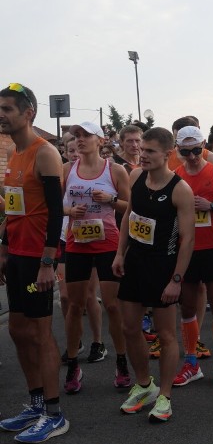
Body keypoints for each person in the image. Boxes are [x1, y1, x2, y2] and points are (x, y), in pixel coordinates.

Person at [0, 83, 69, 443]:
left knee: (40, 335)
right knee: (16, 331)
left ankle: (55, 415)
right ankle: (36, 404)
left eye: (8, 109)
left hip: (38, 260)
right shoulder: (14, 154)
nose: (1, 115)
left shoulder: (45, 154)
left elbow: (57, 214)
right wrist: (4, 247)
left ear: (29, 113)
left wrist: (48, 262)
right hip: (18, 258)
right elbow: (13, 209)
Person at [113, 127, 196, 422]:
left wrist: (177, 279)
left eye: (150, 151)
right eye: (142, 150)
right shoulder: (135, 177)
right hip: (135, 262)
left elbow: (188, 239)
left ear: (167, 154)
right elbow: (128, 218)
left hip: (163, 266)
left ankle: (165, 395)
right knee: (129, 328)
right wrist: (120, 253)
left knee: (165, 335)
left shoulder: (180, 189)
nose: (143, 155)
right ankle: (144, 384)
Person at [61, 121, 131, 393]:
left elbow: (129, 206)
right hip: (76, 242)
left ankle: (122, 362)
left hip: (107, 243)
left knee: (112, 305)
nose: (79, 140)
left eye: (85, 135)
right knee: (75, 305)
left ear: (100, 141)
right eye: (76, 136)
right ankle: (72, 365)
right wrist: (69, 212)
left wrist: (110, 200)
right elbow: (57, 204)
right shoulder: (67, 170)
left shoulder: (115, 171)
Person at [173, 126, 213, 388]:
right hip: (186, 249)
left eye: (197, 150)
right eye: (186, 152)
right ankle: (191, 363)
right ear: (178, 151)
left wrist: (209, 205)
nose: (192, 156)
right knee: (187, 308)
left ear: (204, 146)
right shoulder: (175, 176)